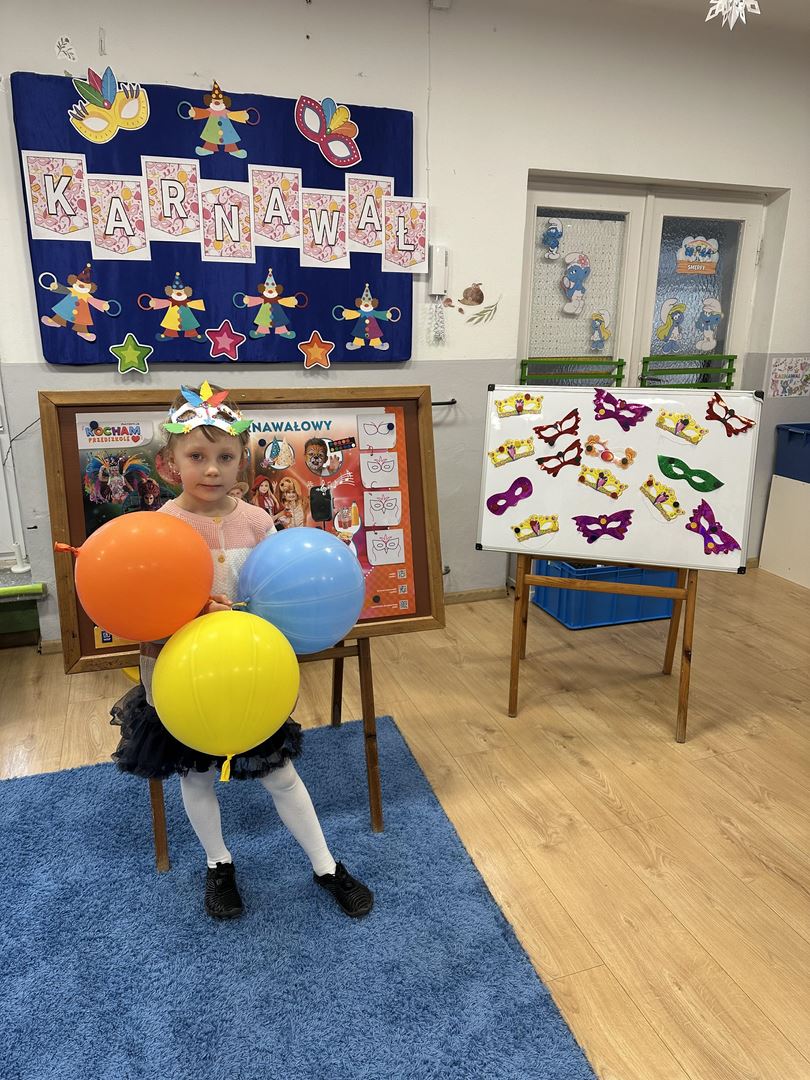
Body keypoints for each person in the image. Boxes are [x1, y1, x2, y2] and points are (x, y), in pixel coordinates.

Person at [110, 382, 373, 921]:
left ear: (242, 461)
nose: (212, 469)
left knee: (281, 774)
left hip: (249, 672)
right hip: (181, 674)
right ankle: (218, 863)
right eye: (197, 457)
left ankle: (325, 864)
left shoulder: (256, 521)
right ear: (170, 463)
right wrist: (193, 611)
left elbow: (278, 586)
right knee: (196, 774)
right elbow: (145, 605)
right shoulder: (160, 526)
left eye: (225, 457)